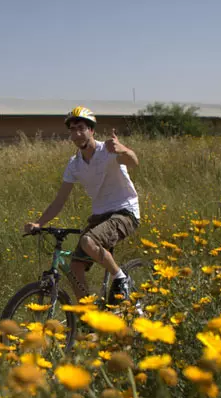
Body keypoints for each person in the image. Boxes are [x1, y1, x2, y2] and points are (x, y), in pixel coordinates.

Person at [23, 106, 140, 303]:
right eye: (72, 130)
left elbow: (134, 161)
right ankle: (88, 319)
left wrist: (124, 149)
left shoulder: (108, 151)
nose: (77, 134)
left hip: (124, 211)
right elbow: (60, 200)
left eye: (81, 128)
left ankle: (121, 278)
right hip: (100, 216)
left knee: (88, 241)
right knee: (75, 267)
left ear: (91, 130)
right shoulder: (74, 164)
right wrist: (39, 223)